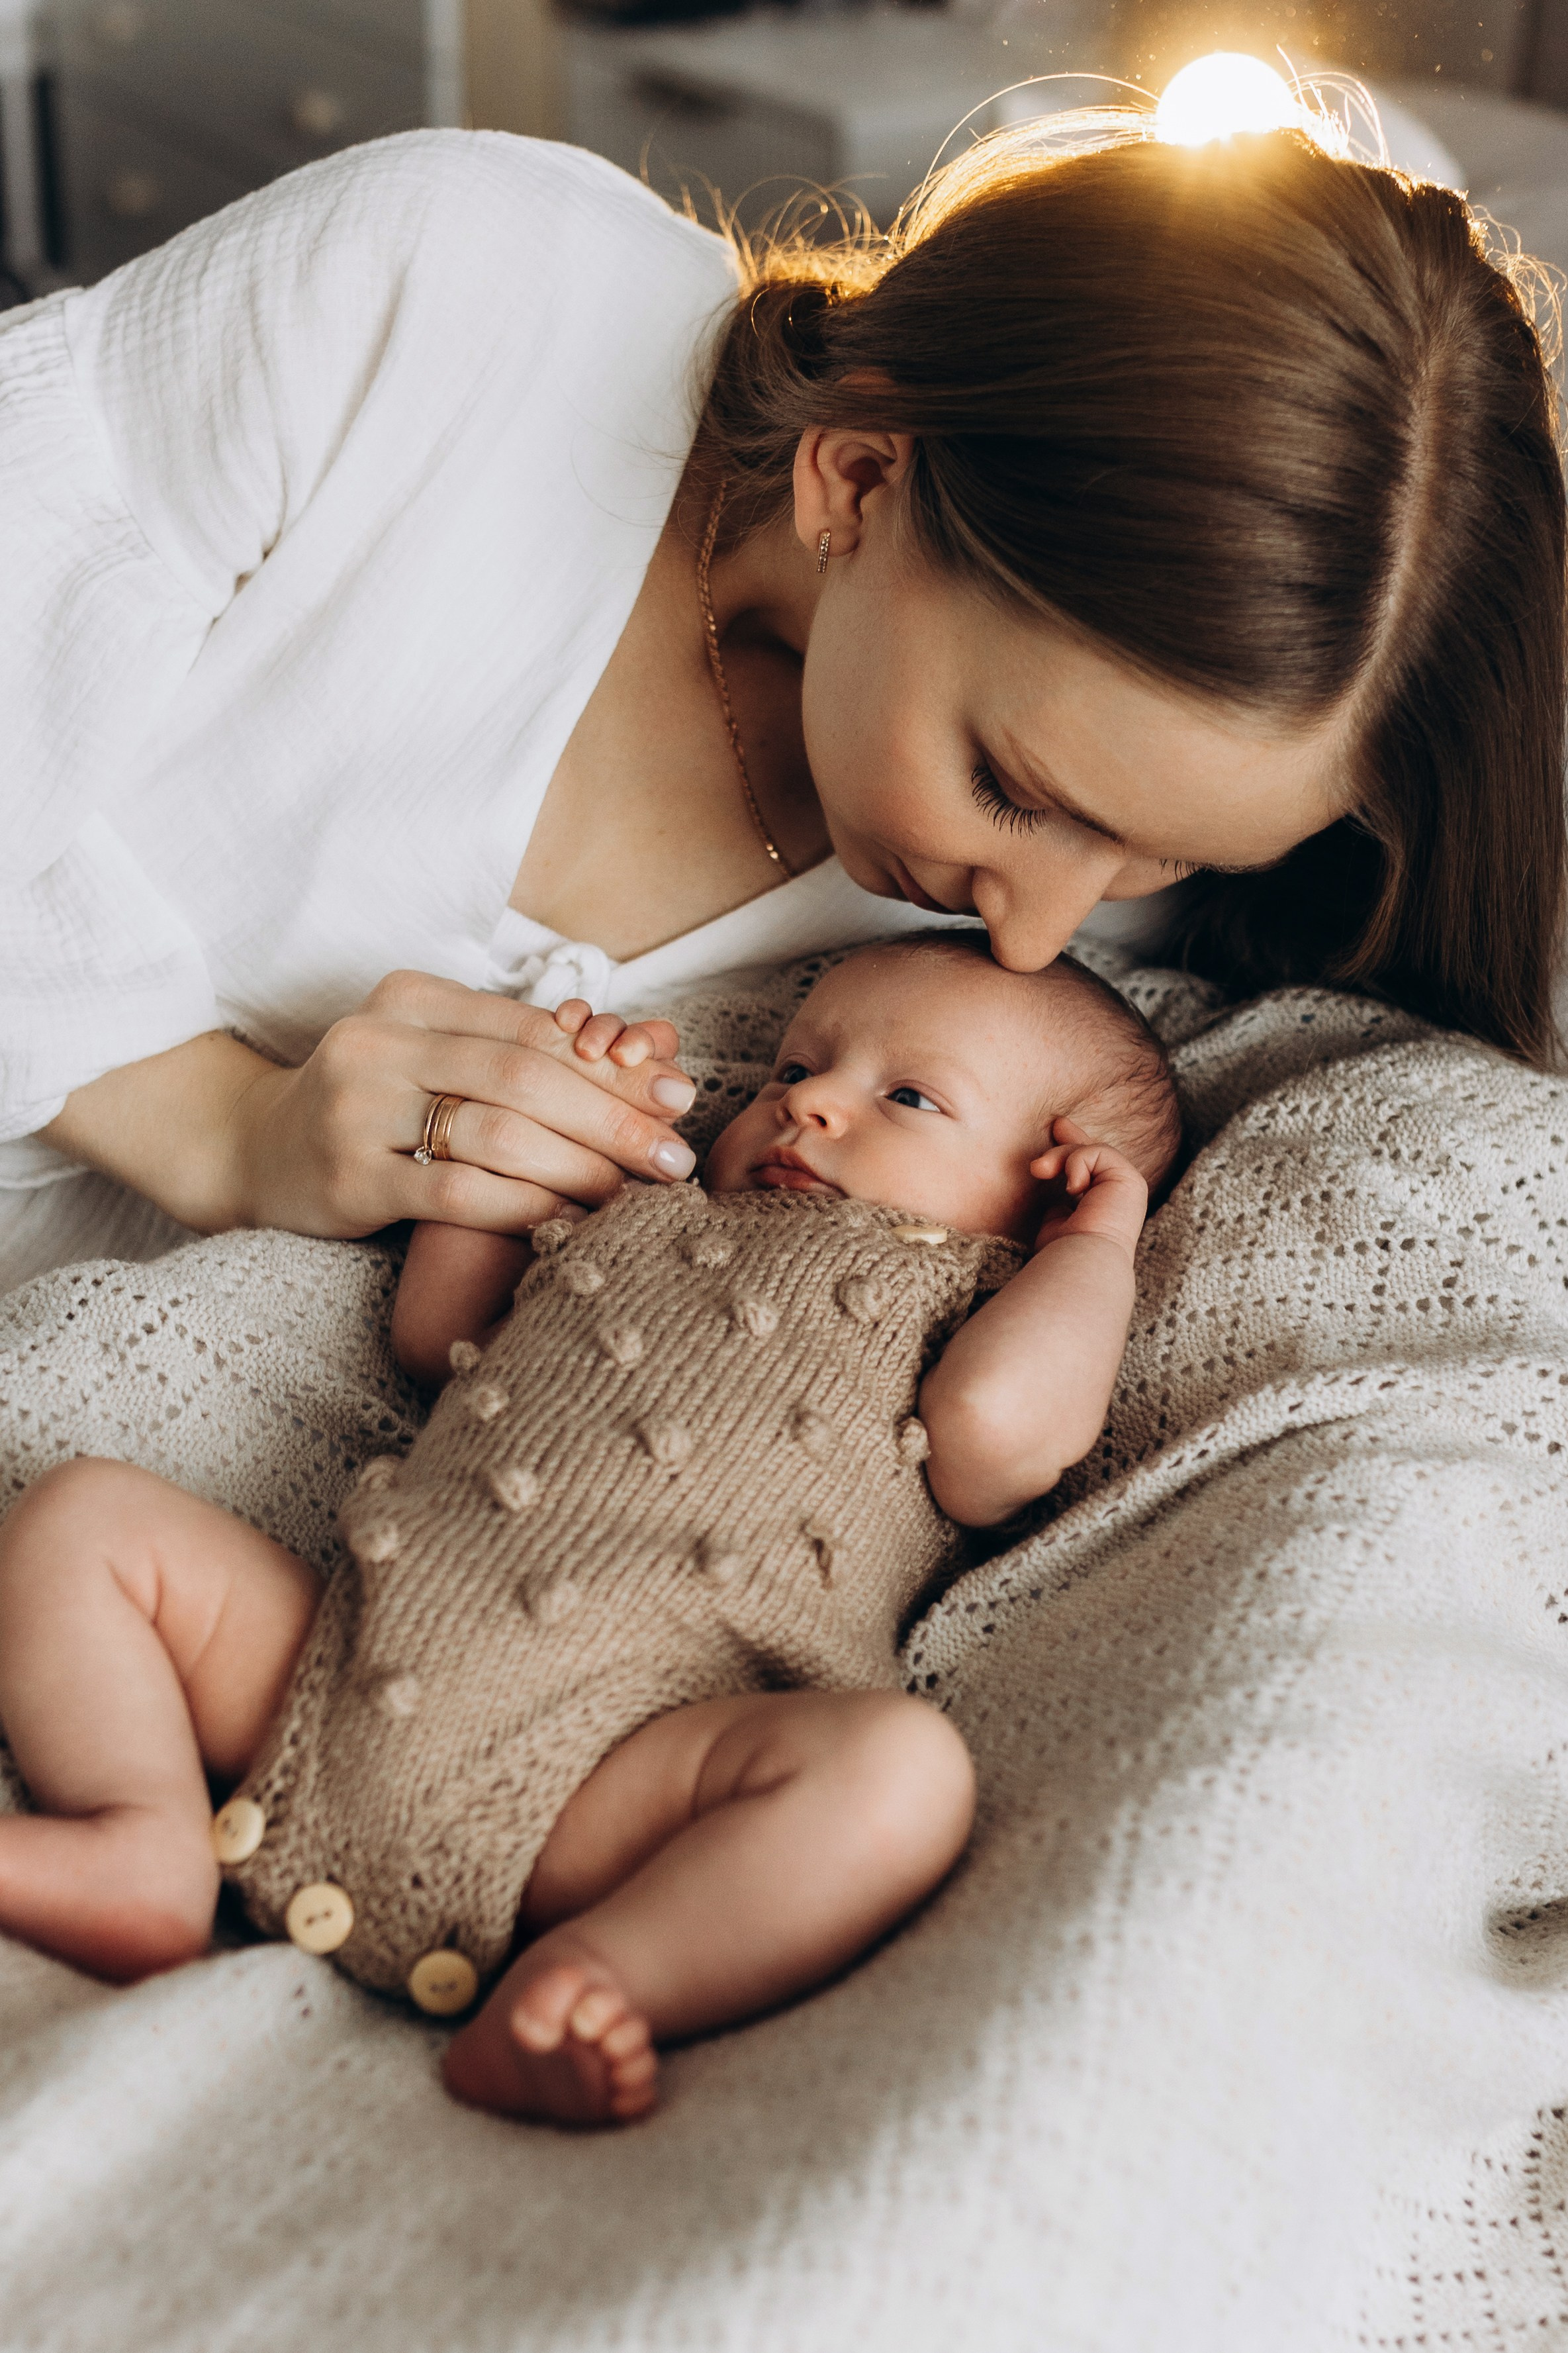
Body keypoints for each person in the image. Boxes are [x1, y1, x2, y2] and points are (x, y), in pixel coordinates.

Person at [1, 112, 1561, 1298]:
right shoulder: (457, 292)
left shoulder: (1123, 971)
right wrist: (225, 1132)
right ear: (860, 475)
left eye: (1161, 857)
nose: (1031, 937)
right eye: (1014, 789)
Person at [0, 936, 1178, 2124]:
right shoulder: (644, 1214)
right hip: (346, 1659)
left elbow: (996, 1430)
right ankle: (139, 1834)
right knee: (86, 1514)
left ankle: (603, 1971)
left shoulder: (978, 1311)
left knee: (903, 1772)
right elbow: (439, 1335)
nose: (808, 1102)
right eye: (790, 1069)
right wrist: (572, 1123)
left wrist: (1093, 1250)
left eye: (908, 1098)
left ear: (1048, 1193)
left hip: (621, 1777)